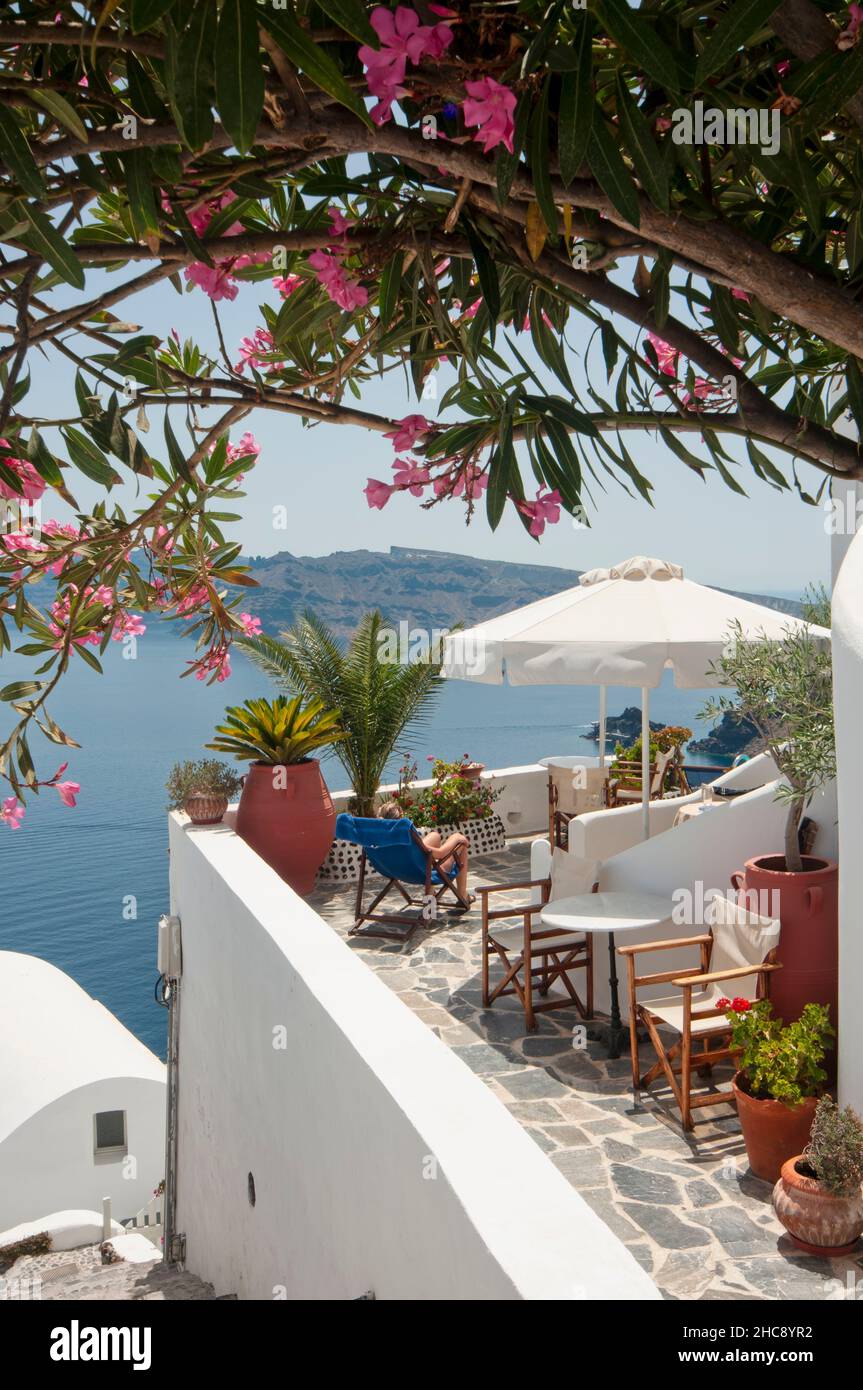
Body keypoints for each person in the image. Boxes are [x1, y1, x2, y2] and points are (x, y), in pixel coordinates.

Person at [378, 800, 473, 907]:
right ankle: (462, 895)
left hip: (394, 871)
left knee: (435, 836)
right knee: (461, 844)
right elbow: (441, 854)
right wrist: (456, 838)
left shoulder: (377, 841)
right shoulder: (407, 839)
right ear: (401, 818)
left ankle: (431, 896)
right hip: (420, 874)